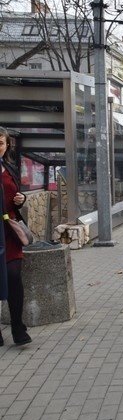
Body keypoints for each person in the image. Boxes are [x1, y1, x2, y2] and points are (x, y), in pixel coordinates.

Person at [0, 126, 32, 347]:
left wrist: (21, 199)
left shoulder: (9, 167)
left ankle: (17, 326)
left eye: (1, 143)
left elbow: (15, 196)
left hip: (9, 232)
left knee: (13, 277)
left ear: (7, 145)